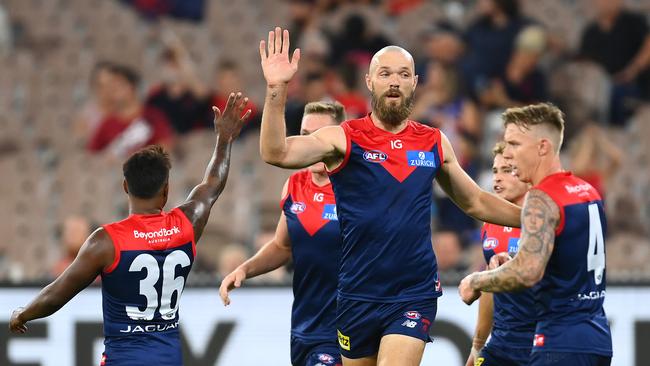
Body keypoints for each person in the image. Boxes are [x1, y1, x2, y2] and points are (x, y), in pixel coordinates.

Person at [258, 27, 521, 366]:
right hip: (355, 292)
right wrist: (277, 88)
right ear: (369, 82)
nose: (394, 81)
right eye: (385, 73)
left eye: (403, 74)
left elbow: (475, 201)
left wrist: (532, 217)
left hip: (412, 292)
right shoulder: (344, 138)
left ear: (415, 82)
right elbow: (275, 152)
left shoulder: (433, 142)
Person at [9, 93, 252, 365]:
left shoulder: (107, 241)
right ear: (167, 189)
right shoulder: (188, 222)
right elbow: (213, 184)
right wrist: (224, 139)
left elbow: (58, 293)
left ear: (125, 187)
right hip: (168, 359)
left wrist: (23, 313)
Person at [459, 103, 613, 366]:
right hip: (596, 338)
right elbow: (565, 258)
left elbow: (529, 271)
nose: (507, 153)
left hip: (557, 341)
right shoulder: (586, 191)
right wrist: (513, 258)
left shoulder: (541, 199)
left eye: (515, 144)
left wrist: (477, 281)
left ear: (543, 147)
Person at [220, 101, 346, 366]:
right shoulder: (294, 185)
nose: (311, 142)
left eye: (321, 135)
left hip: (346, 328)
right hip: (304, 325)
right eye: (305, 134)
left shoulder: (357, 188)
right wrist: (245, 269)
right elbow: (282, 246)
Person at [465, 142, 534, 366]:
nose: (497, 178)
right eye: (495, 171)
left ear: (527, 173)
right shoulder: (490, 223)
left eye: (507, 170)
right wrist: (477, 345)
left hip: (541, 339)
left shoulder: (543, 217)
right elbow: (490, 287)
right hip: (503, 341)